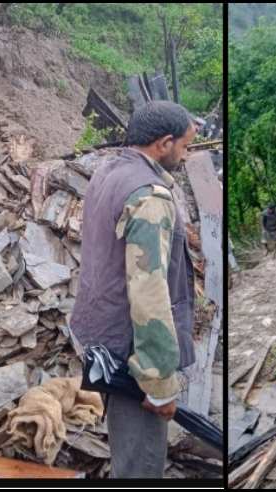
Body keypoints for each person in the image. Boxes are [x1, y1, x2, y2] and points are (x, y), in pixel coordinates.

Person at [70, 101, 198, 478]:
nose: (187, 155)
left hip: (102, 336)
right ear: (164, 143)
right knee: (139, 467)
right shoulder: (150, 196)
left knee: (125, 449)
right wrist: (158, 381)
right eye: (186, 146)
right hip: (132, 351)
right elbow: (149, 291)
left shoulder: (108, 171)